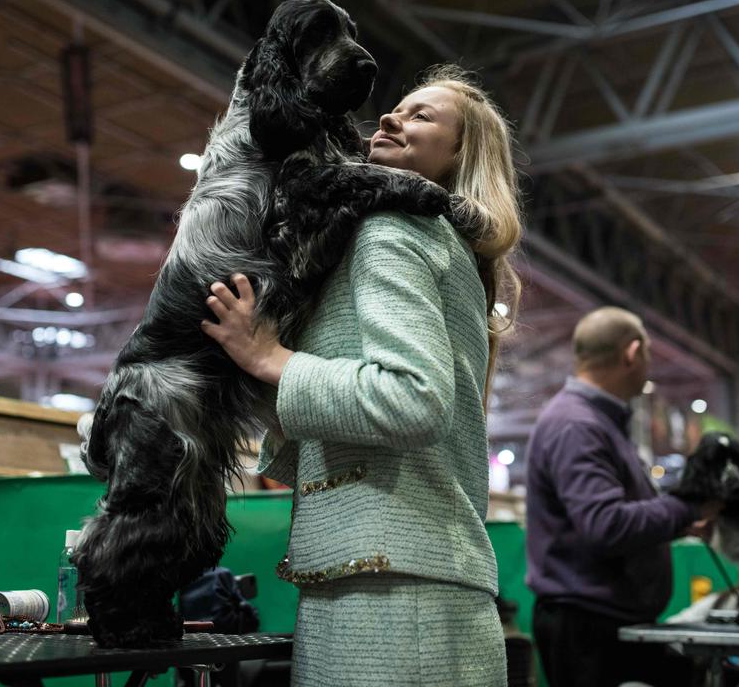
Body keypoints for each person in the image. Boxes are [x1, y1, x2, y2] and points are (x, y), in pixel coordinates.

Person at [200, 65, 521, 686]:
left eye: (422, 115)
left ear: (460, 159)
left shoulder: (393, 225)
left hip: (394, 603)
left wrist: (271, 359)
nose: (389, 117)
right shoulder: (437, 244)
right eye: (396, 107)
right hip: (396, 588)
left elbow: (412, 401)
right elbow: (339, 443)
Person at [525, 306, 719, 687]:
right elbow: (606, 526)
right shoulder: (578, 425)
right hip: (589, 634)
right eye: (647, 353)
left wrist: (679, 523)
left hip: (602, 626)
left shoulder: (594, 421)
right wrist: (687, 507)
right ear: (631, 354)